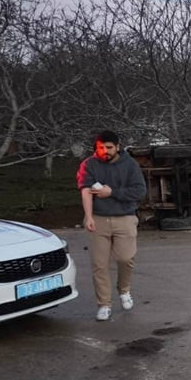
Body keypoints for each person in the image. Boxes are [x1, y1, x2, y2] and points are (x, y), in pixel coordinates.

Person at [76, 130, 148, 321]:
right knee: (99, 265)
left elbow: (139, 191)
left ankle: (124, 290)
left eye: (108, 148)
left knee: (126, 259)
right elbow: (86, 191)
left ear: (117, 147)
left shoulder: (130, 164)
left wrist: (112, 192)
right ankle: (104, 304)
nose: (104, 151)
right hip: (98, 219)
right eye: (100, 148)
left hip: (124, 218)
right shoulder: (89, 165)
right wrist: (89, 216)